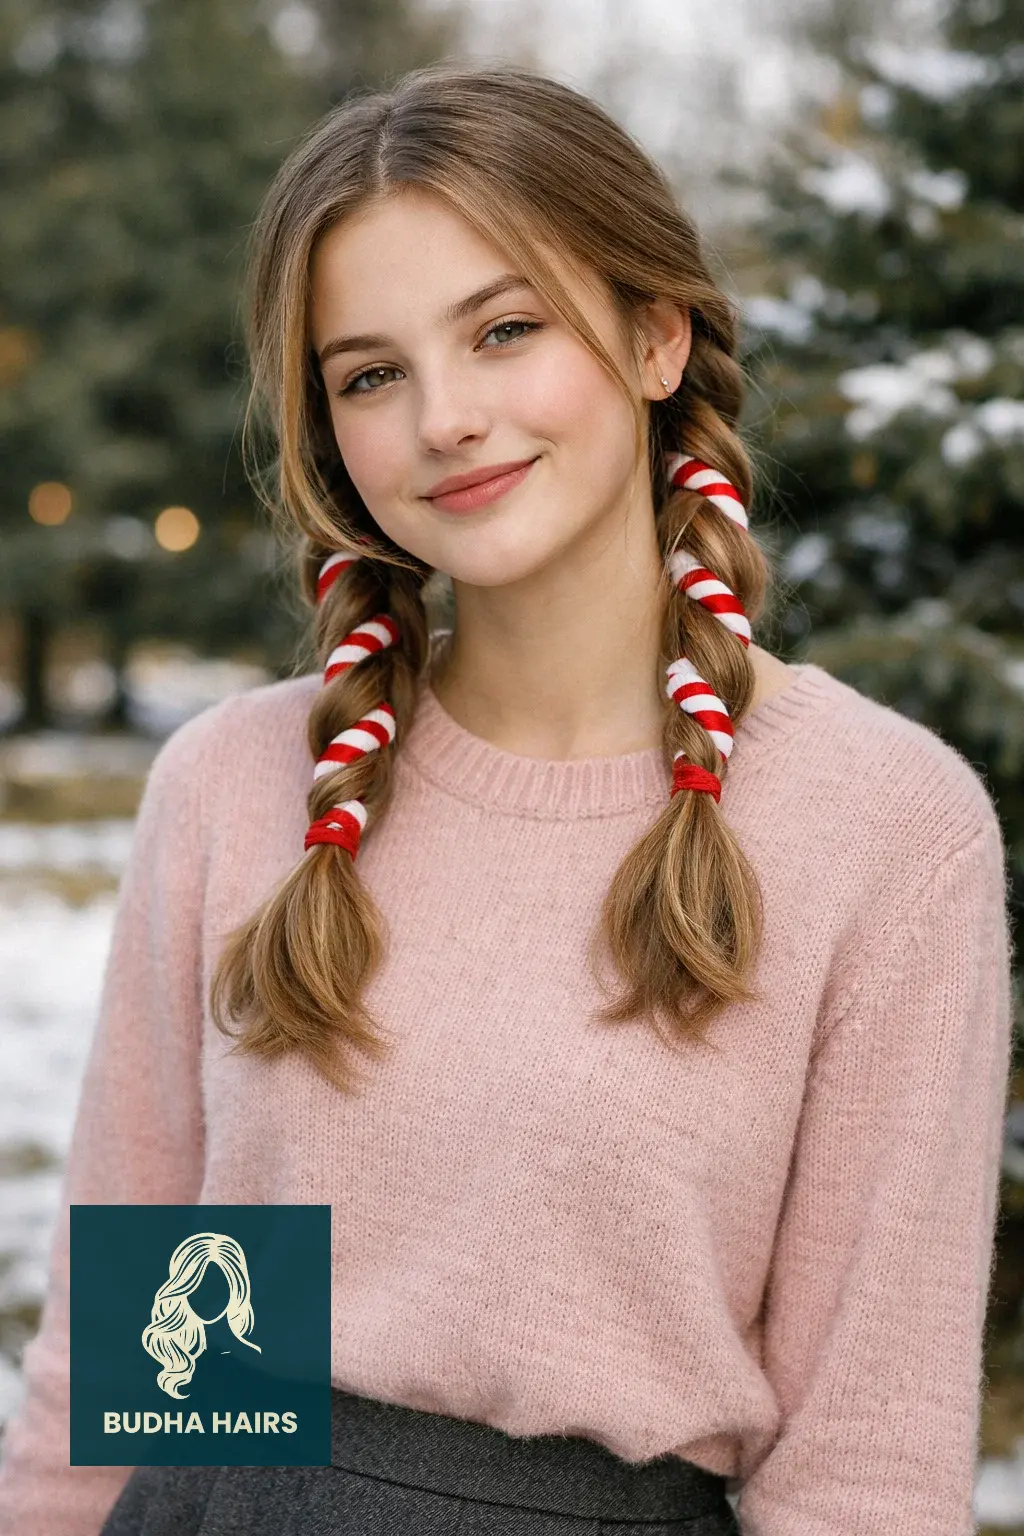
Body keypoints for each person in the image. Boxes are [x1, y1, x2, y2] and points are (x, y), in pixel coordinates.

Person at [0, 60, 1013, 1536]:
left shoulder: (881, 828)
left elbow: (861, 1477)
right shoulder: (239, 785)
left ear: (656, 335)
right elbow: (143, 1372)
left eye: (505, 330)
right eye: (371, 374)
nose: (447, 418)